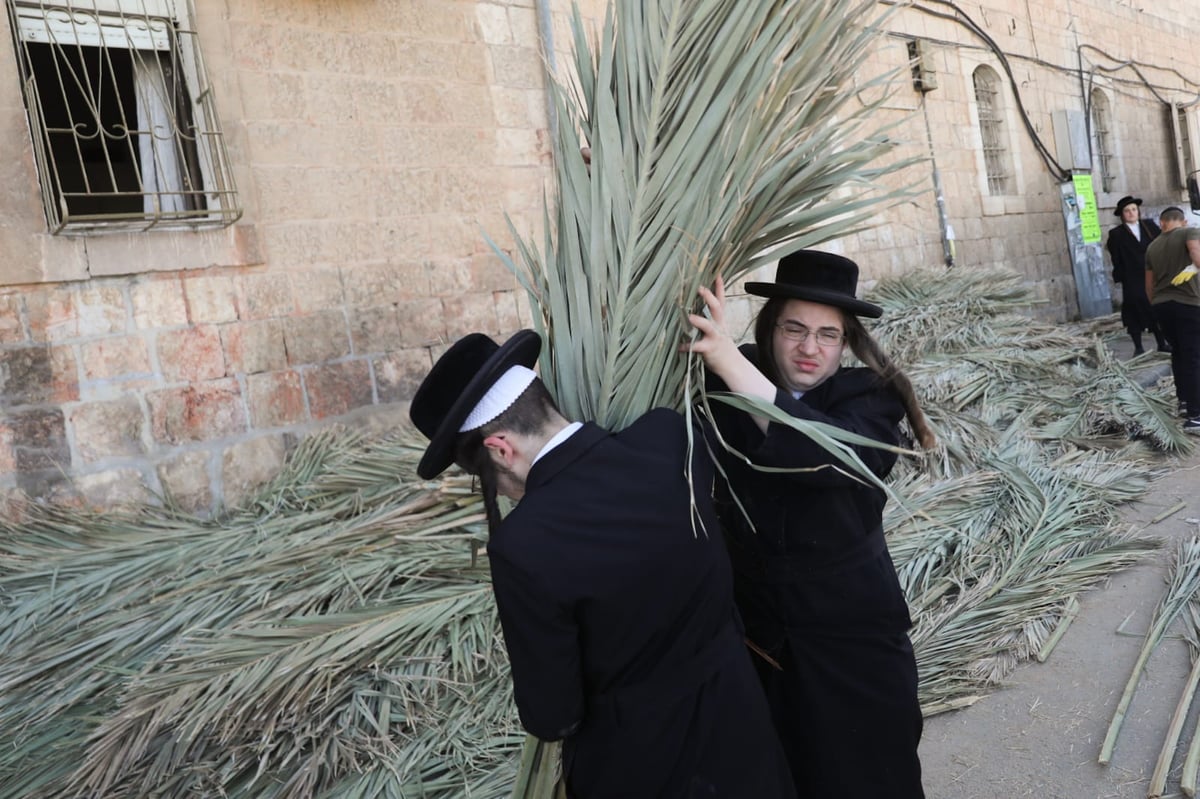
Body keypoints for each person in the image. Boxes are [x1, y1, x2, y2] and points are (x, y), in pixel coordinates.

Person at [408, 330, 795, 798]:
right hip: (743, 735)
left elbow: (553, 714)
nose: (500, 492)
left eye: (484, 479)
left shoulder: (523, 546)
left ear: (500, 448)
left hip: (642, 770)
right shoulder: (667, 437)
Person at [683, 250, 934, 799]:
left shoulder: (870, 397)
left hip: (852, 635)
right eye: (794, 328)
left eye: (827, 335)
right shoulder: (723, 381)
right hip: (758, 636)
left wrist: (729, 362)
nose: (809, 349)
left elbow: (822, 455)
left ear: (846, 343)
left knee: (871, 776)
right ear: (770, 327)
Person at [1144, 206, 1200, 434]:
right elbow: (1196, 253)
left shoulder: (1152, 246)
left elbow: (1149, 285)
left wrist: (1156, 307)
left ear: (1162, 223)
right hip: (1188, 304)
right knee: (1194, 355)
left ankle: (1185, 402)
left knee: (1178, 353)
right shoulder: (1189, 232)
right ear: (1183, 221)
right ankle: (1196, 416)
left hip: (1161, 306)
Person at [1107, 194, 1170, 355]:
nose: (1131, 213)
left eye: (1134, 209)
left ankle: (1162, 343)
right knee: (1133, 310)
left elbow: (1160, 246)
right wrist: (1121, 275)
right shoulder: (1117, 234)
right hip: (1132, 278)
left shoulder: (1149, 227)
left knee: (1155, 307)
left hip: (1152, 274)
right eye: (1127, 211)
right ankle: (1138, 347)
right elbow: (1116, 257)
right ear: (1122, 215)